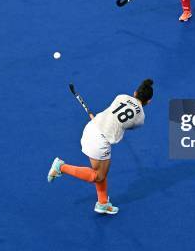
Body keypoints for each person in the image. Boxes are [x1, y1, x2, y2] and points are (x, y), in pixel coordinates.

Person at [47, 79, 154, 215]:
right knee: (99, 176)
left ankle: (102, 203)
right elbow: (124, 124)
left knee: (102, 174)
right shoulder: (141, 119)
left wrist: (98, 120)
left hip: (92, 127)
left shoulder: (121, 96)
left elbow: (111, 114)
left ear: (135, 92)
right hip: (99, 141)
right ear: (149, 101)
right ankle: (61, 167)